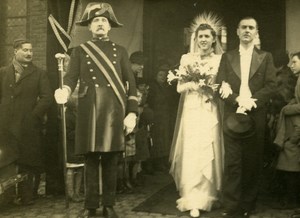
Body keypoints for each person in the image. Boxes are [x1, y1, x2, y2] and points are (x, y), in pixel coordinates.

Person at [54, 2, 138, 218]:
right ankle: (91, 206)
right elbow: (71, 77)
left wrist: (132, 112)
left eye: (103, 21)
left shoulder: (120, 51)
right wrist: (64, 89)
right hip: (89, 110)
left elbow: (131, 84)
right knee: (91, 160)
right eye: (95, 21)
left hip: (113, 111)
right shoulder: (80, 51)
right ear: (89, 27)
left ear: (109, 27)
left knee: (111, 159)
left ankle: (108, 205)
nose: (100, 24)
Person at [216, 16, 277, 217]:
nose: (247, 31)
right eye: (244, 27)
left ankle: (248, 205)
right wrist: (235, 100)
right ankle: (231, 207)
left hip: (255, 116)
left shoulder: (265, 57)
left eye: (251, 27)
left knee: (252, 161)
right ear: (237, 31)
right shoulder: (227, 57)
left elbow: (271, 86)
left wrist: (253, 100)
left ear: (256, 32)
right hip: (233, 116)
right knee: (232, 161)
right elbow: (219, 86)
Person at [169, 13, 224, 217]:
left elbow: (221, 85)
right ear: (195, 38)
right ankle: (191, 197)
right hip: (192, 107)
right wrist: (193, 84)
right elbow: (178, 87)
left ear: (213, 39)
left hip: (209, 108)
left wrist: (209, 87)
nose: (203, 40)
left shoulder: (219, 59)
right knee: (191, 149)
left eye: (207, 36)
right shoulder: (186, 58)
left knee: (209, 146)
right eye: (200, 36)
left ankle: (208, 194)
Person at [0, 39, 53, 205]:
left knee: (27, 161)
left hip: (28, 125)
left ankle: (27, 196)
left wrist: (34, 116)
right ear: (15, 51)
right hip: (5, 125)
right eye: (25, 50)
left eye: (31, 50)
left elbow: (47, 97)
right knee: (6, 160)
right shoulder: (2, 72)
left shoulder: (39, 73)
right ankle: (7, 197)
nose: (29, 53)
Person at [273, 51, 300, 209]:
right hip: (295, 126)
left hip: (297, 128)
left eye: (294, 62)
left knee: (290, 157)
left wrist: (286, 110)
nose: (291, 65)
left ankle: (292, 201)